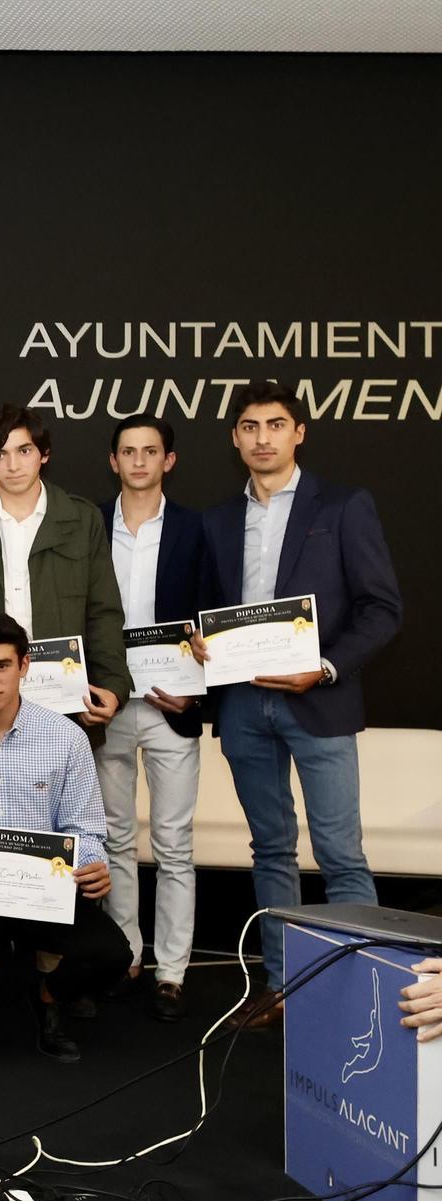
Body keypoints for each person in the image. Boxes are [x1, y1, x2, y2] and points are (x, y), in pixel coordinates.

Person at [196, 381, 402, 1028]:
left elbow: (382, 608)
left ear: (299, 432)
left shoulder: (343, 505)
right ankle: (283, 990)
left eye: (275, 424)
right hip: (243, 707)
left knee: (342, 854)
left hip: (322, 704)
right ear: (235, 437)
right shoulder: (219, 518)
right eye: (250, 426)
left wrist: (328, 666)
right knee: (272, 851)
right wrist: (199, 641)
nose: (262, 437)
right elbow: (208, 606)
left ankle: (362, 990)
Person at [0, 614, 130, 1064]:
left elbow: (83, 828)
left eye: (1, 666)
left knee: (111, 954)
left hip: (41, 896)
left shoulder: (67, 737)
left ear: (25, 666)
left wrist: (92, 864)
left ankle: (47, 995)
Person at [95, 415, 207, 1022]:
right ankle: (125, 956)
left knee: (173, 843)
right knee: (114, 839)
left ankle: (172, 971)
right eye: (128, 452)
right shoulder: (89, 524)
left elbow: (212, 618)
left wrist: (198, 692)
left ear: (169, 460)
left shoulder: (196, 528)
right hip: (107, 707)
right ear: (113, 462)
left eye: (151, 451)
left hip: (173, 707)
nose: (139, 461)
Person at [0, 405, 129, 739]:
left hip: (67, 703)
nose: (13, 466)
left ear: (43, 455)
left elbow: (104, 612)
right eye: (0, 454)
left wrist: (113, 685)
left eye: (24, 451)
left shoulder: (82, 520)